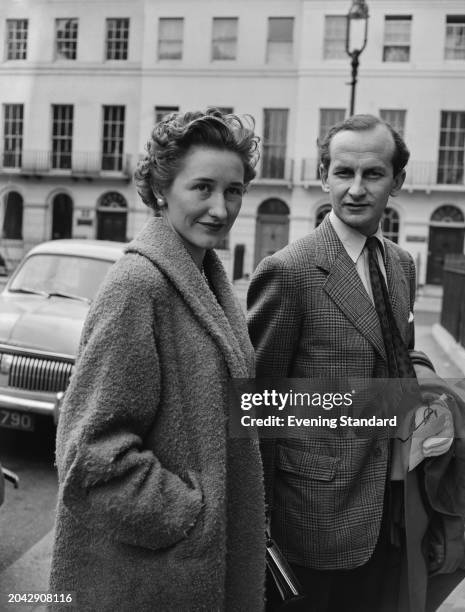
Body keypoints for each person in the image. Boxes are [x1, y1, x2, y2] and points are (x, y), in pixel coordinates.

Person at [247, 114, 465, 611]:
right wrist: (258, 520)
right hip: (315, 514)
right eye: (343, 173)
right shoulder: (288, 272)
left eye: (372, 174)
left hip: (396, 504)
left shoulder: (400, 263)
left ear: (397, 181)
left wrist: (426, 376)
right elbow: (258, 405)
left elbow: (396, 348)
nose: (355, 189)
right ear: (323, 176)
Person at [49, 108, 266, 611]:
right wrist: (191, 514)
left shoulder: (212, 282)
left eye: (233, 191)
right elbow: (89, 456)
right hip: (148, 580)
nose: (220, 207)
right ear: (163, 190)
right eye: (203, 188)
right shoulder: (137, 286)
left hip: (194, 573)